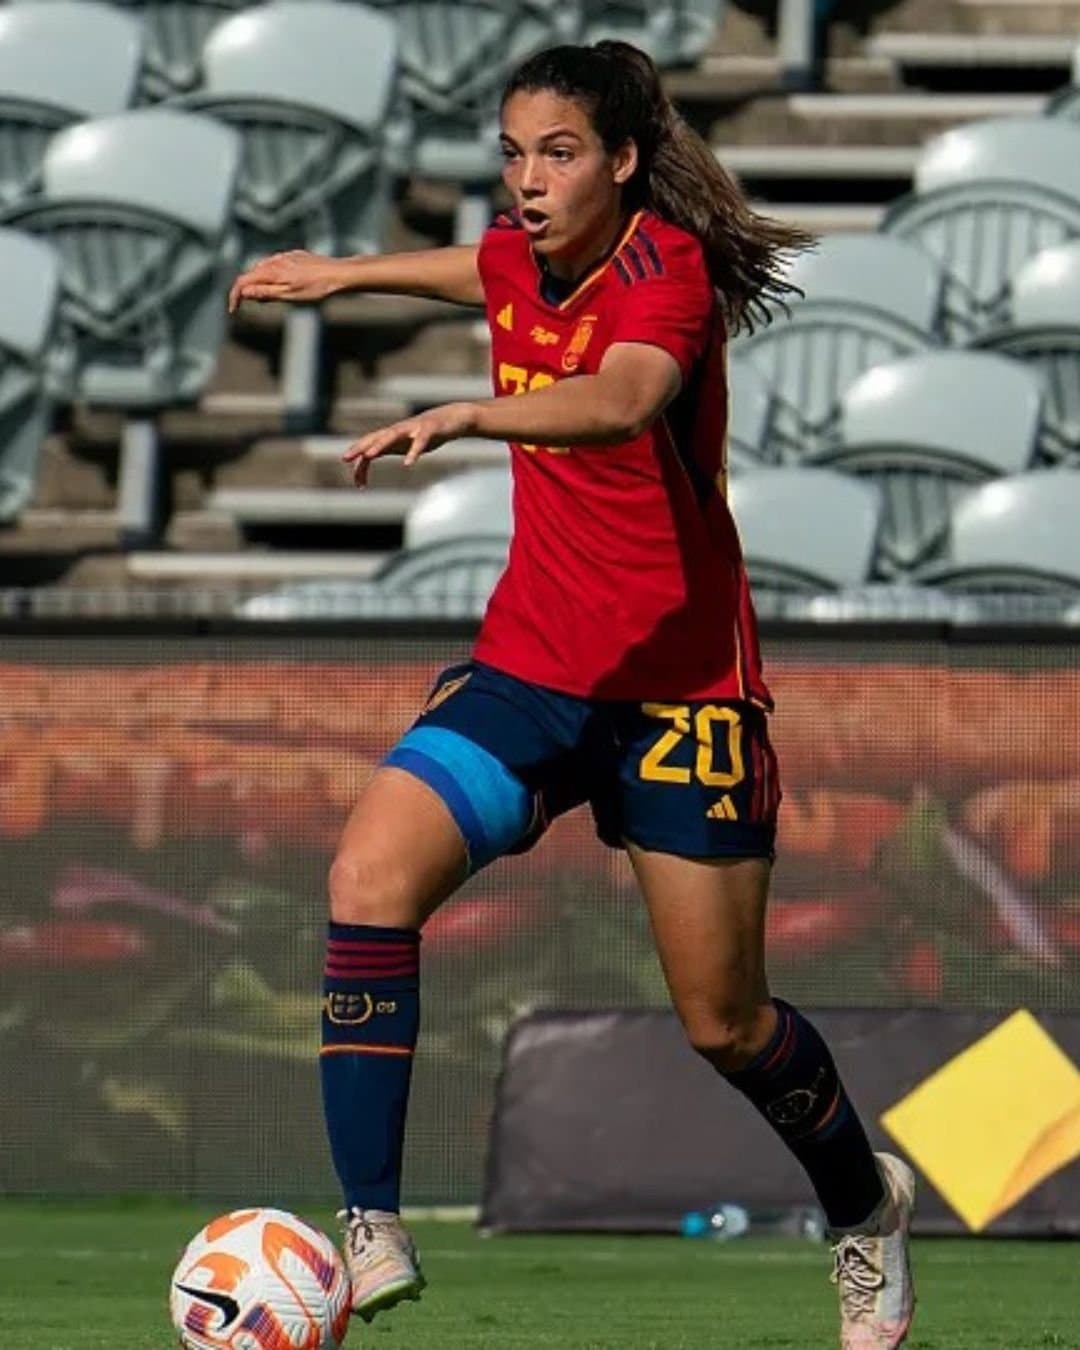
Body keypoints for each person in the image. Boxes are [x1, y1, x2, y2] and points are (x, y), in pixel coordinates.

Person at [229, 39, 916, 1350]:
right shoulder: (514, 256)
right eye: (511, 152)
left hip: (681, 692)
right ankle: (368, 1226)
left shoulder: (671, 275)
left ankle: (863, 1206)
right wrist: (346, 275)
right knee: (369, 876)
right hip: (534, 671)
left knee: (726, 1020)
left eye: (556, 154)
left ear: (619, 160)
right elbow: (477, 271)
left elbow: (620, 399)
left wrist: (469, 415)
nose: (527, 181)